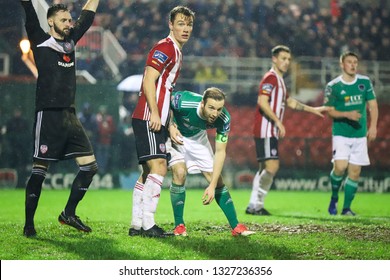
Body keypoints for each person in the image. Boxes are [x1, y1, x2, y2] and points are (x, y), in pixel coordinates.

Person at [21, 0, 100, 237]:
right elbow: (28, 9)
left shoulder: (70, 41)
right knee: (39, 171)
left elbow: (86, 17)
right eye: (64, 20)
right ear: (51, 21)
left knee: (90, 167)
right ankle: (28, 225)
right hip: (48, 114)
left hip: (69, 115)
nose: (69, 23)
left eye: (69, 20)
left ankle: (68, 213)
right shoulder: (39, 38)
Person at [129, 6, 195, 238]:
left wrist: (169, 122)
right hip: (149, 116)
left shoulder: (176, 50)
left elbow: (164, 89)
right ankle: (149, 225)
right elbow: (148, 80)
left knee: (148, 172)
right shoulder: (166, 47)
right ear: (170, 24)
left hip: (156, 117)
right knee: (159, 167)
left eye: (189, 24)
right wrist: (156, 114)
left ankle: (137, 224)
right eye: (180, 23)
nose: (185, 28)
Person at [246, 45, 329, 216]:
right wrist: (277, 122)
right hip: (266, 129)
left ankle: (253, 205)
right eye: (283, 58)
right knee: (272, 167)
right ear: (274, 59)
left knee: (264, 169)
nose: (286, 62)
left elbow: (290, 102)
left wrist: (313, 110)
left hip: (269, 130)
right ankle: (257, 205)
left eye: (289, 59)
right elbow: (262, 101)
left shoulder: (280, 80)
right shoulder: (271, 78)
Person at [167, 87, 255, 236]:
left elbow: (220, 152)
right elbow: (165, 101)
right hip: (176, 134)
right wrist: (170, 125)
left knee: (217, 180)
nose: (215, 113)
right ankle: (179, 226)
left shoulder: (224, 119)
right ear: (202, 103)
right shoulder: (185, 101)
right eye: (211, 108)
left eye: (219, 109)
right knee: (180, 173)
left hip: (197, 138)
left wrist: (212, 186)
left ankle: (236, 226)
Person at [324, 51, 378, 216]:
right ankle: (334, 197)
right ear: (342, 64)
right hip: (340, 134)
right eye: (349, 62)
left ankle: (346, 208)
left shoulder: (364, 82)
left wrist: (373, 126)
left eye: (355, 62)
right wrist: (347, 114)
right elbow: (329, 111)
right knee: (340, 168)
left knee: (355, 172)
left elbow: (373, 106)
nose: (353, 65)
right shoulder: (333, 86)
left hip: (359, 135)